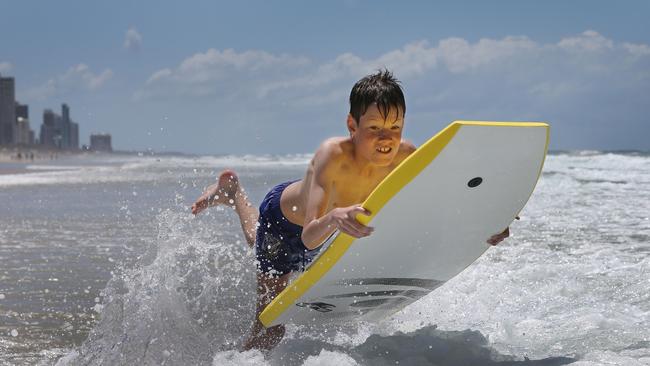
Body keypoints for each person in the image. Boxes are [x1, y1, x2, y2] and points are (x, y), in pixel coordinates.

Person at [191, 70, 512, 350]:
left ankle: (232, 193)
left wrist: (484, 222)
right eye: (374, 128)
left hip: (331, 221)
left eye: (395, 126)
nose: (386, 139)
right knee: (271, 329)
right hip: (286, 223)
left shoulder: (406, 154)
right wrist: (333, 216)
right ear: (352, 125)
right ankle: (234, 193)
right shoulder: (332, 157)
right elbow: (310, 237)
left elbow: (438, 200)